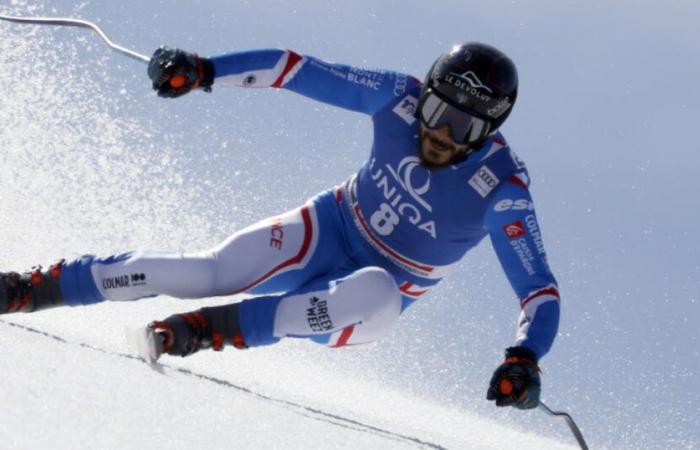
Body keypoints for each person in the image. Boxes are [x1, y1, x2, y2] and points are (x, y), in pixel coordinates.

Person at [0, 42, 559, 410]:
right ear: (426, 97)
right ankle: (29, 289)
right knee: (209, 269)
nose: (441, 133)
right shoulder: (401, 97)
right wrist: (206, 71)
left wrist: (524, 357)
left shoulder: (503, 189)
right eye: (438, 113)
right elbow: (297, 70)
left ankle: (202, 330)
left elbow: (538, 290)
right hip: (331, 224)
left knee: (378, 289)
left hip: (365, 305)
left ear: (490, 129)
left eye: (463, 127)